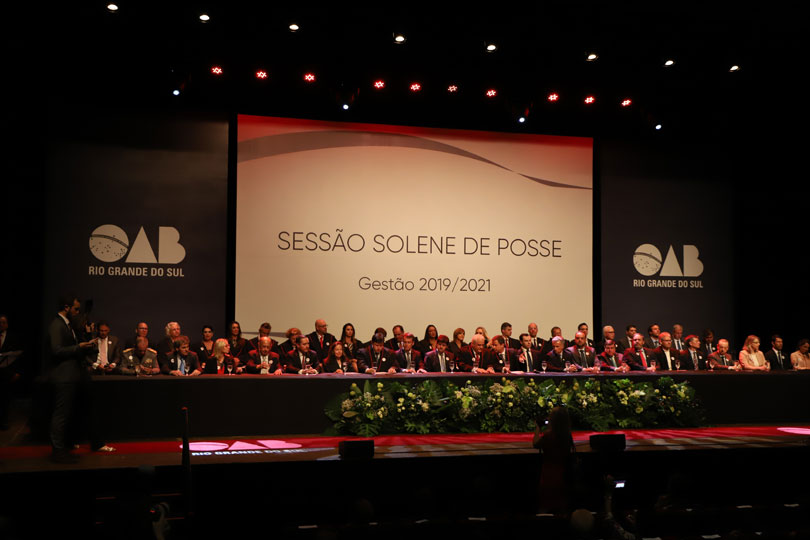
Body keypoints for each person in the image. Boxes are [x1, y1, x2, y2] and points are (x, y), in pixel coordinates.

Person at [46, 295, 114, 463]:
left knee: (79, 410)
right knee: (61, 414)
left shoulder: (67, 325)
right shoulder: (57, 325)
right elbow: (56, 350)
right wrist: (79, 347)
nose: (78, 312)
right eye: (76, 309)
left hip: (74, 375)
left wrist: (85, 344)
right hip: (64, 376)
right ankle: (58, 450)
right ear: (67, 307)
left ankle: (78, 444)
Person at [533, 406, 576, 514]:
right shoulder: (567, 436)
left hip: (549, 474)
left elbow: (536, 443)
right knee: (561, 505)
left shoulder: (549, 435)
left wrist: (538, 428)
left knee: (545, 504)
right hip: (563, 473)